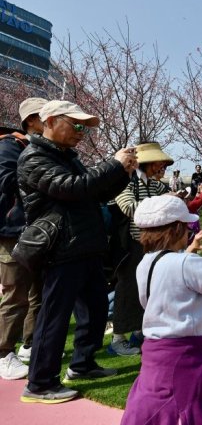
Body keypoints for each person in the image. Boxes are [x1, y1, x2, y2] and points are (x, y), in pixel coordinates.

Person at [18, 100, 137, 403]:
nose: (82, 132)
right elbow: (72, 188)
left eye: (84, 127)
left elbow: (94, 193)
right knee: (54, 318)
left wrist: (123, 172)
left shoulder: (66, 156)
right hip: (60, 249)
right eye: (76, 124)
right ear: (50, 121)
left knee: (95, 312)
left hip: (85, 246)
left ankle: (82, 365)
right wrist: (112, 163)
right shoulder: (33, 157)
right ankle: (40, 383)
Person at [120, 195, 202, 424]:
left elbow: (158, 292)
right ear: (176, 230)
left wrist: (189, 252)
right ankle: (195, 397)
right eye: (188, 226)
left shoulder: (146, 263)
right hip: (188, 357)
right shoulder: (188, 264)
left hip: (159, 354)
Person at [111, 142, 173, 356]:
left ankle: (140, 331)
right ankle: (117, 338)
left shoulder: (155, 185)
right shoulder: (125, 182)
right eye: (159, 162)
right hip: (129, 245)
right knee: (127, 289)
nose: (162, 167)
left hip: (150, 245)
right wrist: (162, 203)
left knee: (146, 290)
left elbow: (165, 201)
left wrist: (172, 200)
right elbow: (128, 207)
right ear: (147, 162)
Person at [0, 97, 47, 380]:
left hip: (38, 232)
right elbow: (5, 181)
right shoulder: (8, 146)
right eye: (46, 116)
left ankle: (30, 345)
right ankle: (4, 352)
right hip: (12, 233)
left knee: (37, 294)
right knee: (15, 294)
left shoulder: (42, 148)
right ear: (31, 121)